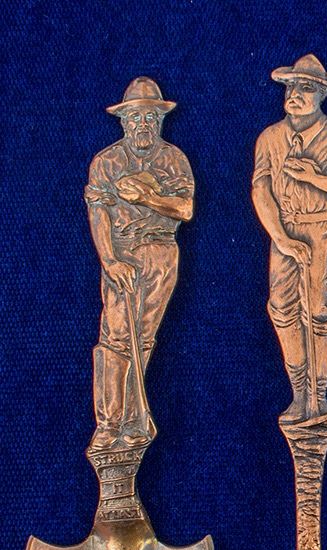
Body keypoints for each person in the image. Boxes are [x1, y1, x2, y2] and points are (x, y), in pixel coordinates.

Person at [253, 54, 327, 423]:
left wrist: (314, 177)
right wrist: (282, 239)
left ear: (321, 94)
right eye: (290, 86)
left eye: (305, 87)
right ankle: (299, 393)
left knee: (320, 312)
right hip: (284, 231)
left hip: (324, 230)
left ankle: (319, 393)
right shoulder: (270, 138)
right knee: (282, 310)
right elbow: (261, 190)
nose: (294, 94)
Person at [85, 78, 193, 451]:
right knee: (116, 337)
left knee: (142, 338)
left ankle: (133, 419)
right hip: (123, 253)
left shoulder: (174, 159)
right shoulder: (106, 162)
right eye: (135, 117)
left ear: (159, 120)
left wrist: (147, 196)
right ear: (124, 121)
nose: (143, 124)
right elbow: (98, 213)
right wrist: (110, 260)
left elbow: (185, 209)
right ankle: (108, 424)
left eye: (150, 117)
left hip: (162, 253)